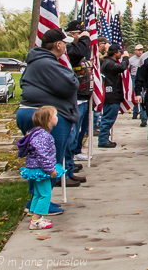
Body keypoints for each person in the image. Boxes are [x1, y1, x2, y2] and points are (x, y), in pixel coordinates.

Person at [17, 28, 81, 194]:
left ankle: (36, 200)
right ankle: (40, 203)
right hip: (43, 116)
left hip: (32, 112)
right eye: (65, 44)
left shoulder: (38, 61)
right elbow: (70, 85)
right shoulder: (46, 63)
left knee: (37, 160)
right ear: (58, 45)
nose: (66, 48)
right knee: (49, 159)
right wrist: (73, 76)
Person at [17, 106, 59, 230]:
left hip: (34, 168)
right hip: (41, 170)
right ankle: (35, 221)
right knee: (45, 194)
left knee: (37, 194)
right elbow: (43, 155)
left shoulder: (36, 133)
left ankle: (36, 218)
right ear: (48, 120)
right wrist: (50, 169)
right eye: (55, 116)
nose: (57, 118)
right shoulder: (43, 136)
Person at [64, 20, 91, 183]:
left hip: (80, 95)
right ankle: (66, 169)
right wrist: (85, 38)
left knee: (76, 131)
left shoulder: (74, 47)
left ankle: (69, 165)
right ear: (72, 34)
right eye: (79, 33)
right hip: (71, 97)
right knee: (70, 133)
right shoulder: (68, 47)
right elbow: (79, 50)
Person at [99, 44, 124, 148]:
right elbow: (122, 67)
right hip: (111, 95)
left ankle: (104, 138)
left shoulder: (108, 62)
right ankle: (103, 139)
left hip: (112, 94)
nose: (122, 54)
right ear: (115, 52)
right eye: (120, 52)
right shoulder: (109, 63)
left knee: (108, 117)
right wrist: (126, 58)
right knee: (108, 117)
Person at [128, 45, 147, 125]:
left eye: (141, 50)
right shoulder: (131, 60)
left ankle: (143, 117)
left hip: (143, 78)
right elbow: (128, 70)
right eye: (138, 50)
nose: (140, 52)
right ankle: (135, 112)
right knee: (135, 95)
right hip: (134, 77)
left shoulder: (144, 58)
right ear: (135, 51)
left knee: (142, 97)